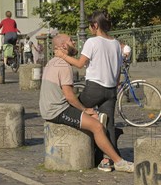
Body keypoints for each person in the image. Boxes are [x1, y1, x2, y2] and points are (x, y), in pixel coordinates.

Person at [40, 33, 134, 173]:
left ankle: (102, 157)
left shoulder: (52, 62)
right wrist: (84, 110)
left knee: (96, 118)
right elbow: (69, 96)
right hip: (57, 110)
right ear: (63, 46)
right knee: (96, 126)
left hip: (51, 107)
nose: (74, 42)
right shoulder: (64, 65)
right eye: (71, 40)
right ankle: (119, 162)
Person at [55, 9, 123, 172]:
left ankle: (82, 149)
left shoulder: (92, 42)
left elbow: (80, 64)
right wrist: (114, 85)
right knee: (109, 124)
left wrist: (62, 56)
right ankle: (108, 160)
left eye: (90, 26)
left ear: (95, 26)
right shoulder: (115, 43)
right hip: (111, 89)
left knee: (74, 110)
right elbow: (119, 69)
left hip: (94, 88)